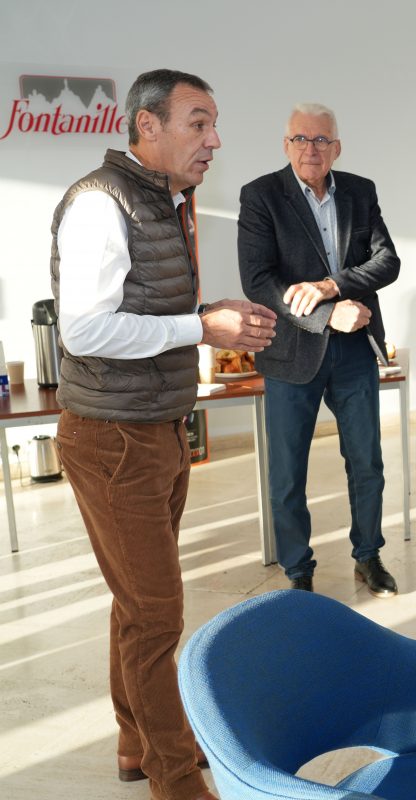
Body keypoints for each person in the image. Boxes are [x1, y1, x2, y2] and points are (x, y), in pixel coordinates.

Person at [52, 68, 277, 800]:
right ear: (147, 126)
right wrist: (198, 326)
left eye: (213, 124)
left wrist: (216, 315)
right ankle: (175, 779)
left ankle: (133, 741)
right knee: (157, 615)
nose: (214, 139)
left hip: (154, 429)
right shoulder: (100, 202)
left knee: (136, 605)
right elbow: (85, 329)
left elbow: (143, 305)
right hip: (114, 439)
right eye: (198, 122)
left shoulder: (164, 201)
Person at [238, 103, 401, 597]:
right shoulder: (261, 195)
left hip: (354, 349)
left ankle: (368, 555)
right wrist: (327, 314)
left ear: (337, 146)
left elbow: (387, 261)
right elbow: (259, 281)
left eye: (322, 140)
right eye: (301, 139)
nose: (312, 149)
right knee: (288, 470)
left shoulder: (360, 190)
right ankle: (297, 569)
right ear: (286, 145)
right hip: (290, 350)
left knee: (367, 461)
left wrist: (332, 286)